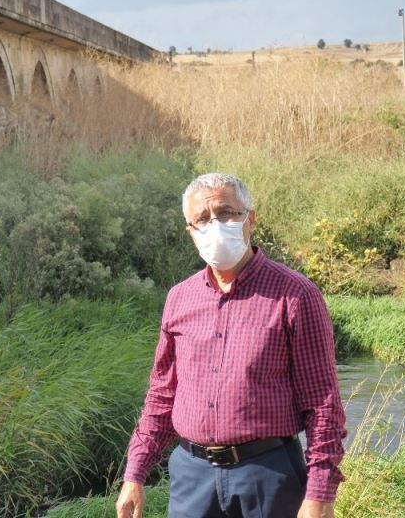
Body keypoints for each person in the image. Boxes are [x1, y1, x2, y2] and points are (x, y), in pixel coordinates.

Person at [115, 173, 346, 518]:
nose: (215, 226)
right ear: (191, 232)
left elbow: (323, 404)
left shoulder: (296, 295)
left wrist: (320, 495)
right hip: (192, 478)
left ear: (250, 219)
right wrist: (135, 473)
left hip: (268, 474)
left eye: (226, 213)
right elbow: (162, 395)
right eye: (203, 220)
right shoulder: (180, 298)